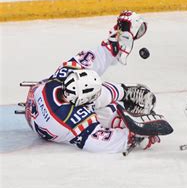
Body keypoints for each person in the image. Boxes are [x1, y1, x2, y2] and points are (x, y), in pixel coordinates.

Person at [22, 11, 173, 154]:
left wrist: (117, 41)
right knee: (106, 109)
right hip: (52, 121)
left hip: (38, 102)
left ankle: (122, 95)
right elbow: (102, 142)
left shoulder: (63, 76)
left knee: (96, 94)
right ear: (82, 105)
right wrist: (136, 137)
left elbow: (93, 58)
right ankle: (117, 111)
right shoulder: (73, 121)